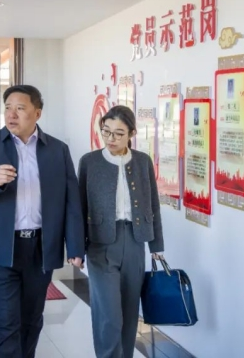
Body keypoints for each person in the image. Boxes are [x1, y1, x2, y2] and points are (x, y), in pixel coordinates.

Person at [0, 84, 85, 358]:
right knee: (6, 322)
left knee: (31, 320)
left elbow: (71, 201)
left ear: (37, 113)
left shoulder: (57, 150)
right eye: (7, 108)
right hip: (0, 249)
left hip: (41, 248)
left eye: (20, 108)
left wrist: (75, 246)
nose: (11, 114)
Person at [78, 105, 165, 358]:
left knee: (129, 314)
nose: (111, 139)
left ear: (131, 134)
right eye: (106, 131)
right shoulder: (89, 162)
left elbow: (153, 205)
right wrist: (76, 248)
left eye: (118, 133)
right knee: (109, 317)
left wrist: (156, 246)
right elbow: (79, 207)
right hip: (101, 244)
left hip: (135, 242)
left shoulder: (142, 161)